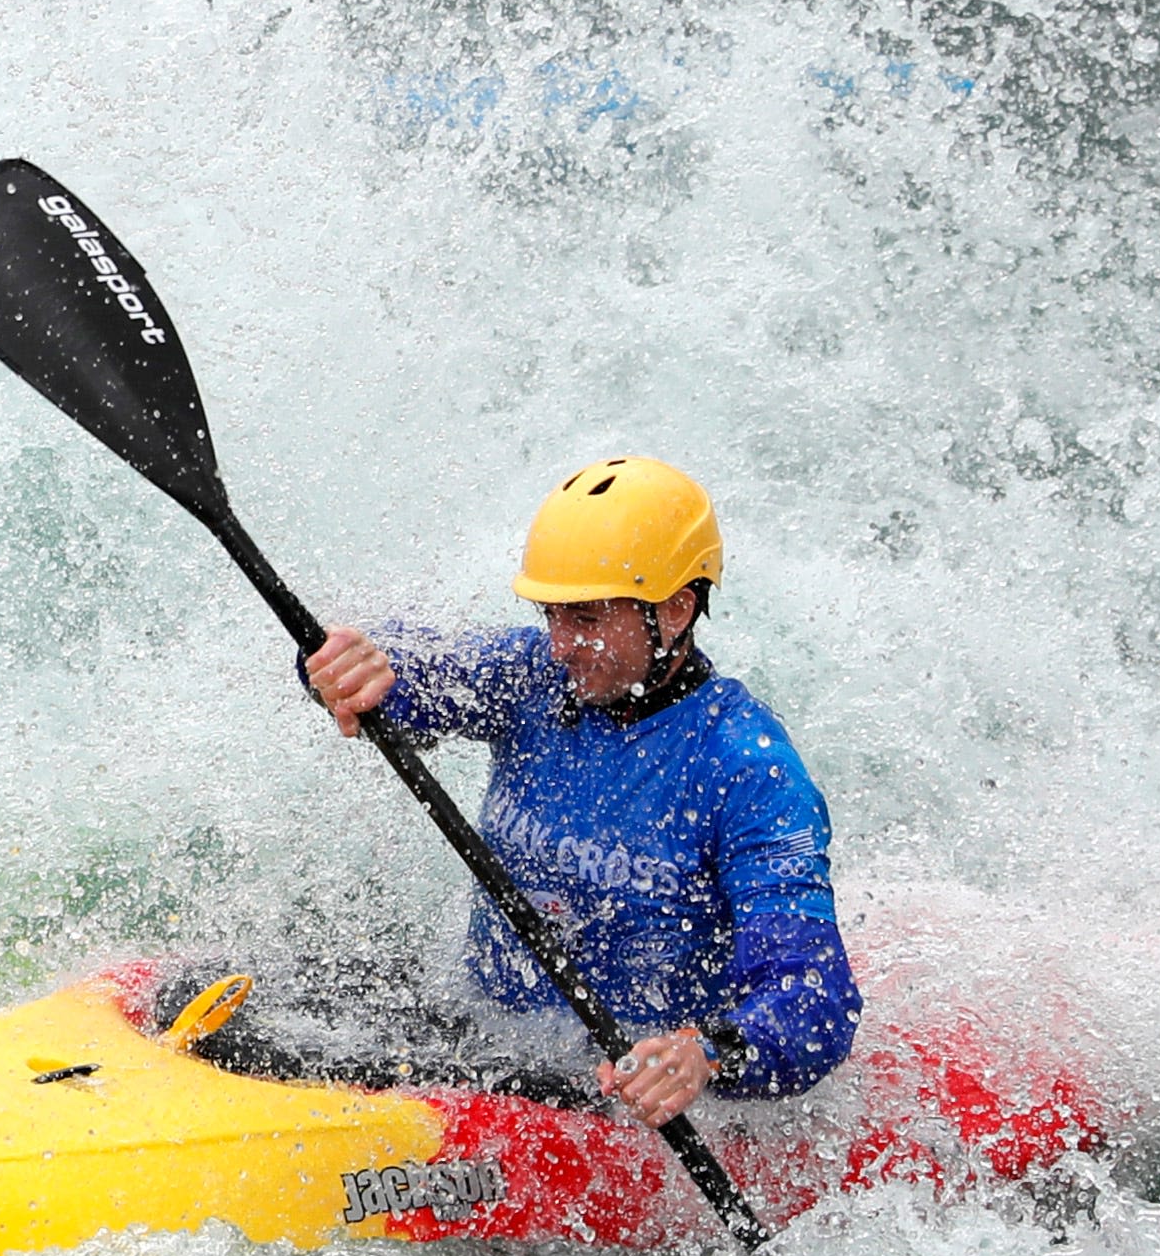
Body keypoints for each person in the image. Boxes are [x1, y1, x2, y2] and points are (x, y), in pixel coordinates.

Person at [275, 455, 855, 1127]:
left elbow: (815, 998)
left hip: (624, 1097)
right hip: (485, 1037)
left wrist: (707, 1052)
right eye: (551, 616)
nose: (558, 646)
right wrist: (351, 664)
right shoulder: (531, 681)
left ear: (673, 610)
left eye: (584, 619)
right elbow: (406, 673)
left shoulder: (748, 769)